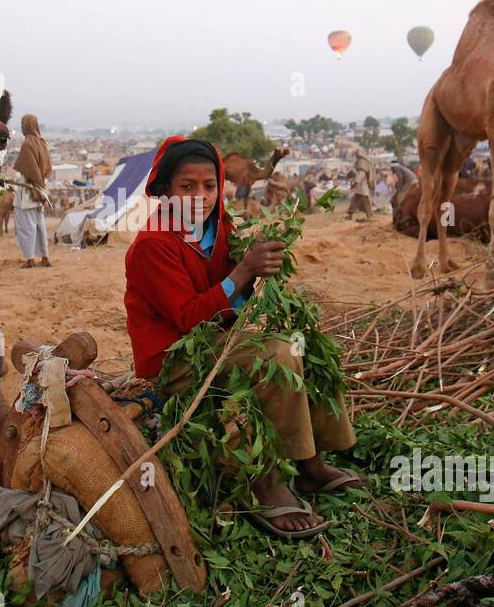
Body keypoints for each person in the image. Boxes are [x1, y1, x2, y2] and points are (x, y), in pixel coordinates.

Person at [124, 137, 361, 540]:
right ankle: (265, 484)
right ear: (164, 191)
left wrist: (263, 272)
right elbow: (188, 318)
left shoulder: (221, 229)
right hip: (176, 359)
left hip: (217, 342)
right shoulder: (153, 246)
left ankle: (312, 463)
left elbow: (237, 295)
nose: (200, 196)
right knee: (278, 357)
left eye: (210, 186)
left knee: (306, 342)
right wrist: (243, 272)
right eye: (187, 187)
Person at [13, 114, 52, 268]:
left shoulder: (28, 144)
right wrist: (42, 186)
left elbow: (29, 169)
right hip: (41, 190)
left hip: (28, 192)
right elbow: (48, 168)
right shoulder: (42, 143)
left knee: (26, 226)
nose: (22, 127)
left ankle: (29, 259)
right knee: (40, 226)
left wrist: (36, 184)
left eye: (23, 124)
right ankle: (45, 257)